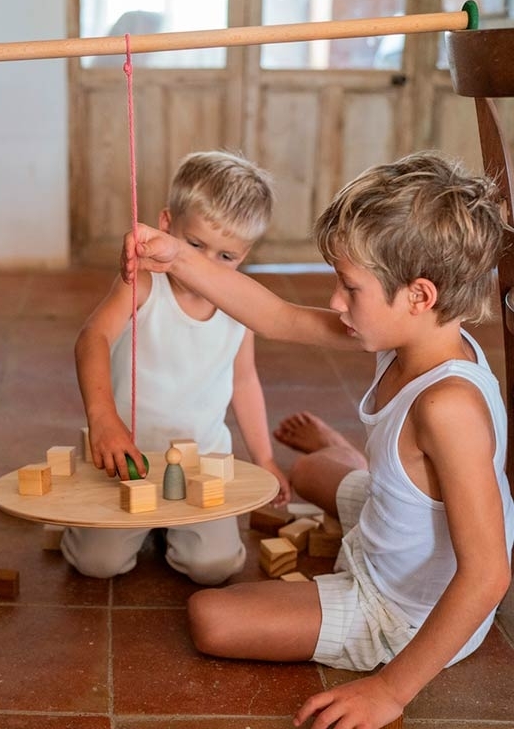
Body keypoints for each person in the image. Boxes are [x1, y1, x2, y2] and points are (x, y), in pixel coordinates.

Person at [121, 150, 514, 729]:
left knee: (211, 617)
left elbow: (488, 574)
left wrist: (390, 690)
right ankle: (368, 469)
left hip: (404, 611)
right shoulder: (411, 333)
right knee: (304, 474)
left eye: (349, 287)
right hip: (395, 531)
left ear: (419, 295)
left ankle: (366, 476)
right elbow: (277, 317)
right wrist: (175, 255)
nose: (335, 300)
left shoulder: (448, 407)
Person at [62, 150, 291, 586]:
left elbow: (244, 380)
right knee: (98, 565)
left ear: (246, 254)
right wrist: (103, 418)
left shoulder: (242, 304)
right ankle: (96, 522)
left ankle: (169, 527)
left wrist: (264, 458)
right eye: (195, 245)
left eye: (227, 256)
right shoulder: (144, 283)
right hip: (126, 458)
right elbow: (92, 338)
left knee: (215, 568)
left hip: (201, 461)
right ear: (166, 225)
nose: (205, 264)